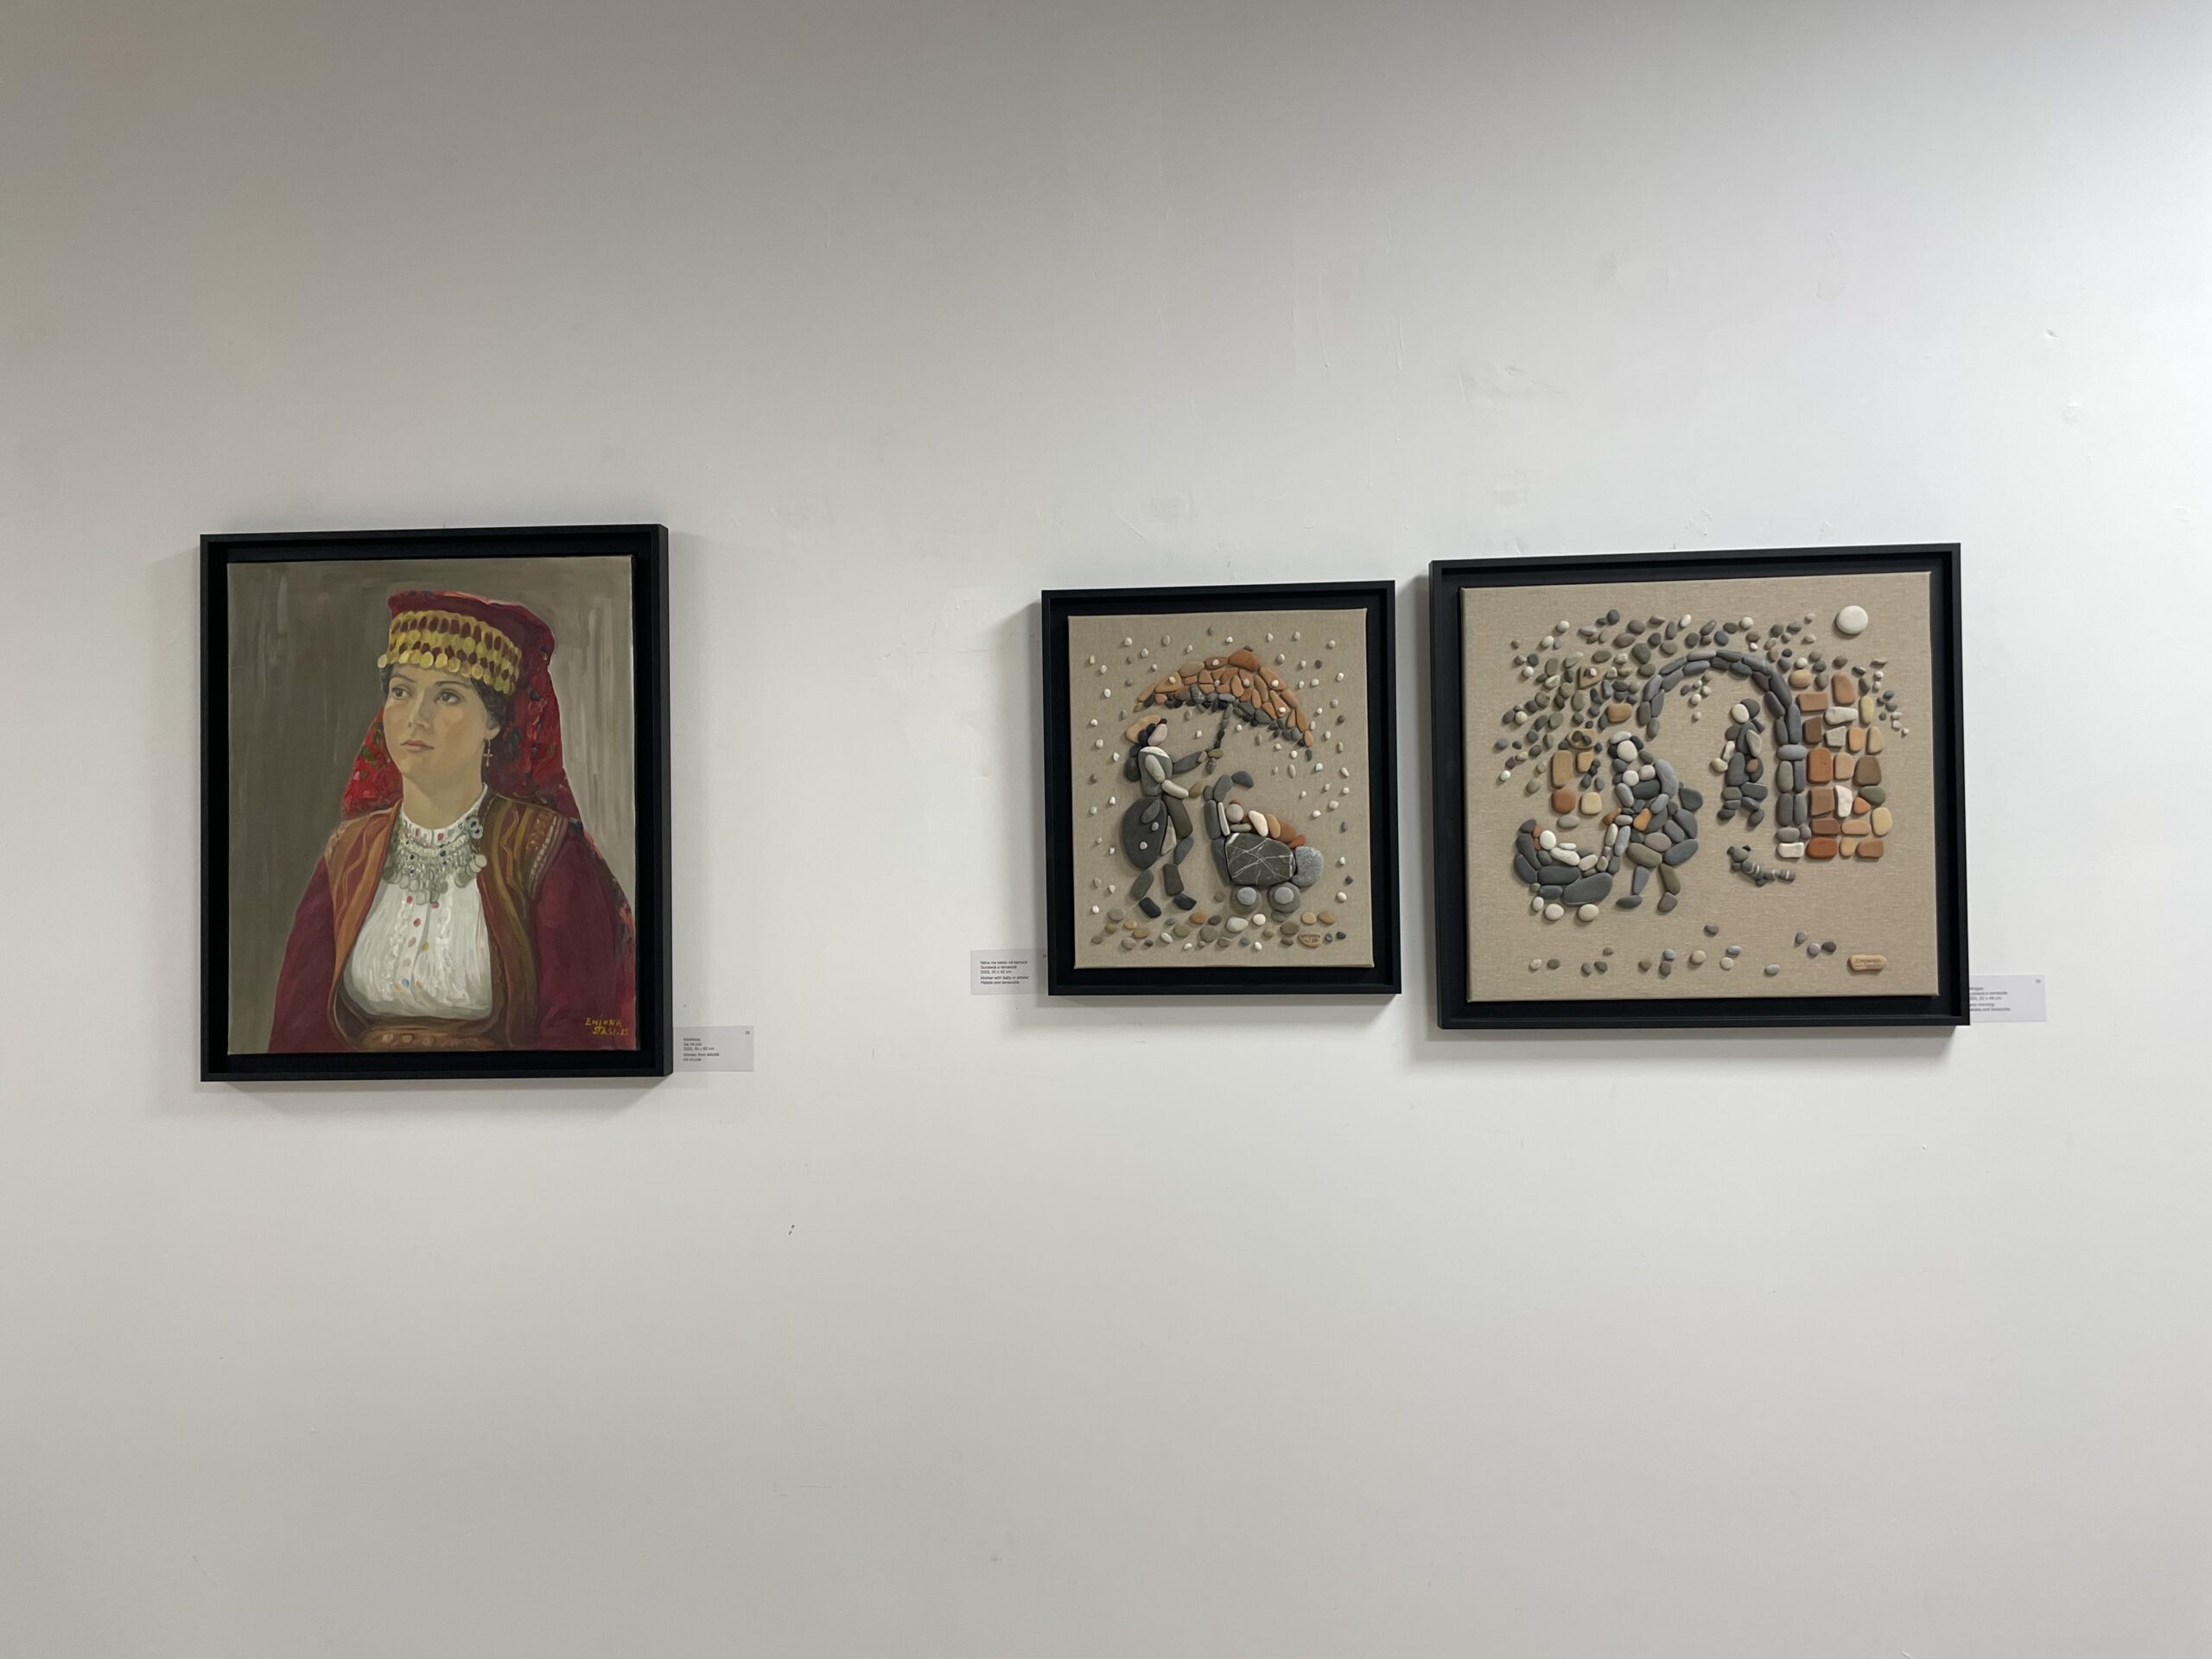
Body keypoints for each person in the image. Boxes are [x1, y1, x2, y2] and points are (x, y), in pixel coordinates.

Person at [269, 590, 637, 1052]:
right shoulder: (349, 851)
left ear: (493, 723)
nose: (416, 718)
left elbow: (581, 1035)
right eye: (401, 691)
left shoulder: (546, 849)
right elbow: (298, 1035)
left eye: (447, 696)